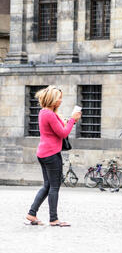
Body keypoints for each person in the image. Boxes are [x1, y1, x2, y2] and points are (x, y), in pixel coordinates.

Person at [25, 86, 81, 227]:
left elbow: (57, 129)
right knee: (54, 187)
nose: (61, 100)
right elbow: (63, 133)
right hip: (51, 154)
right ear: (53, 99)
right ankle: (53, 219)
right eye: (59, 98)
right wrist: (73, 120)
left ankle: (32, 213)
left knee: (47, 185)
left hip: (43, 153)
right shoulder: (49, 114)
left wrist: (68, 120)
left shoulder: (43, 112)